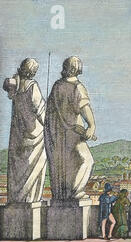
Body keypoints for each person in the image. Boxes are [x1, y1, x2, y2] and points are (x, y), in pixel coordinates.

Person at [44, 56, 96, 200]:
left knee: (66, 165)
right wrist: (91, 126)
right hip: (73, 132)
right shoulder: (77, 87)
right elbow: (84, 108)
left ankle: (66, 193)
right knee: (87, 160)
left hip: (58, 133)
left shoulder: (57, 85)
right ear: (75, 68)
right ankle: (76, 192)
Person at [2, 58, 47, 202]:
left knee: (19, 167)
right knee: (34, 165)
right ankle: (31, 198)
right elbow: (40, 110)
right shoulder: (32, 86)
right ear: (32, 71)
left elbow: (7, 84)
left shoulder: (15, 85)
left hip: (18, 134)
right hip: (35, 134)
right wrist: (49, 126)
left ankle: (17, 198)